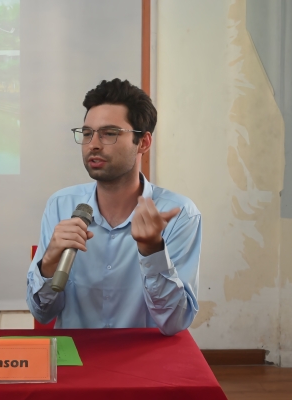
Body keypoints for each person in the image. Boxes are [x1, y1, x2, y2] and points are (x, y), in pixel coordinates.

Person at [26, 78, 201, 336]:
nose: (93, 144)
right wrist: (49, 262)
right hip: (76, 354)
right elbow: (42, 313)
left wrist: (153, 251)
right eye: (87, 133)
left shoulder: (180, 214)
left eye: (109, 133)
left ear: (143, 142)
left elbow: (174, 323)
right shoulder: (61, 205)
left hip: (144, 356)